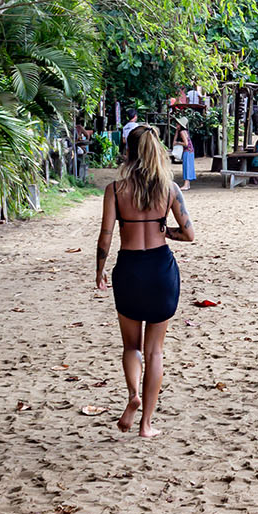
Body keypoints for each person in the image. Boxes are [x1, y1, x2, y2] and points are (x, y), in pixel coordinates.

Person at [97, 127, 195, 437]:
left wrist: (99, 269)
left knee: (131, 347)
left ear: (129, 150)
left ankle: (132, 395)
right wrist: (167, 232)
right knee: (155, 352)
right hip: (160, 272)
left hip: (128, 270)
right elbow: (189, 234)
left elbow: (106, 235)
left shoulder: (115, 190)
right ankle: (147, 424)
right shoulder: (169, 190)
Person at [176, 123, 196, 191]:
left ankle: (186, 184)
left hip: (187, 151)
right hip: (190, 151)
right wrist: (176, 131)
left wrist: (178, 143)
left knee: (186, 167)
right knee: (188, 166)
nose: (176, 126)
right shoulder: (185, 131)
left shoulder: (182, 132)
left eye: (178, 125)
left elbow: (186, 144)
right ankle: (187, 184)